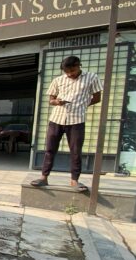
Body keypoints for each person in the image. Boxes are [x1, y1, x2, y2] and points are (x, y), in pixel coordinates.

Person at [31, 56, 102, 190]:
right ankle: (43, 177)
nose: (70, 74)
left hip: (77, 120)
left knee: (76, 150)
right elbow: (51, 100)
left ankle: (74, 180)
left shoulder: (92, 77)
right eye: (67, 71)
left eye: (72, 70)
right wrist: (57, 102)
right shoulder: (58, 80)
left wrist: (82, 105)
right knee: (50, 149)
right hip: (56, 118)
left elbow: (97, 98)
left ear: (79, 65)